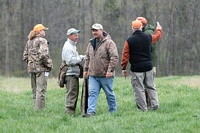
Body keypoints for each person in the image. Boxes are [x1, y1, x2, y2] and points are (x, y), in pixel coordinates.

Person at [121, 20, 162, 111]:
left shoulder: (129, 40)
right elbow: (157, 36)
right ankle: (155, 105)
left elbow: (125, 55)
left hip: (136, 69)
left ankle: (143, 108)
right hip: (148, 66)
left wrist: (123, 68)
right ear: (141, 27)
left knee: (138, 88)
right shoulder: (148, 37)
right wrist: (159, 29)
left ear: (132, 28)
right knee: (150, 86)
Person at [82, 23, 119, 117]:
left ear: (102, 31)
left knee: (109, 94)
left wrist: (110, 71)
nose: (94, 32)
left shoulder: (109, 43)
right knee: (92, 94)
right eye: (93, 30)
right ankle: (90, 112)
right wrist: (85, 69)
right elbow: (87, 57)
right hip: (93, 74)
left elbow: (114, 57)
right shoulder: (90, 43)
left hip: (105, 75)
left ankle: (113, 111)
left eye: (96, 30)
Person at [23, 24, 53, 111]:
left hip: (31, 69)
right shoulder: (42, 41)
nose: (45, 32)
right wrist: (48, 65)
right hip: (41, 69)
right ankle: (40, 110)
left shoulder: (29, 41)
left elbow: (25, 56)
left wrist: (31, 64)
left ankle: (35, 108)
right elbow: (43, 55)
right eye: (43, 30)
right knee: (41, 90)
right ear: (39, 31)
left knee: (35, 89)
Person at [62, 28, 85, 115]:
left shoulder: (72, 46)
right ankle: (69, 113)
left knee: (73, 93)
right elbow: (70, 61)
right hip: (70, 74)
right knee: (71, 93)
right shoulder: (68, 47)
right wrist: (81, 58)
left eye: (77, 35)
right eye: (75, 35)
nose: (77, 37)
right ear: (69, 36)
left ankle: (71, 112)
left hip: (73, 73)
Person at [136, 17, 157, 107]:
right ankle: (148, 103)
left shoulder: (147, 33)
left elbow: (150, 48)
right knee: (146, 84)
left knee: (148, 84)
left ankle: (150, 103)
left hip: (149, 62)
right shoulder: (146, 32)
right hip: (148, 61)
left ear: (142, 24)